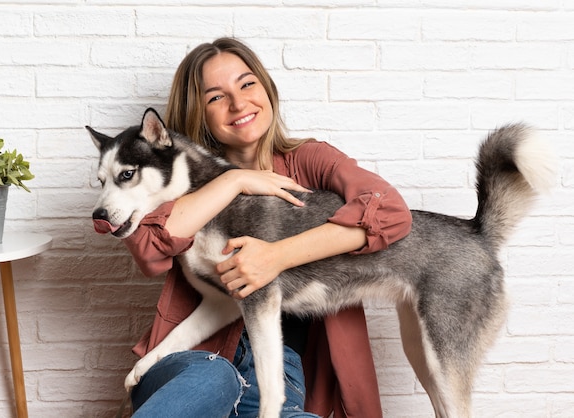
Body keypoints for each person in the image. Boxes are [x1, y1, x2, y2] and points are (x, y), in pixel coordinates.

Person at [122, 37, 412, 418]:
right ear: (199, 113)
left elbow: (391, 212)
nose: (239, 104)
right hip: (197, 360)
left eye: (246, 84)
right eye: (215, 97)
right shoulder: (176, 177)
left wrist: (274, 257)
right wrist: (233, 182)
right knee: (215, 380)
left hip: (280, 370)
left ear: (267, 89)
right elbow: (148, 249)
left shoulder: (310, 162)